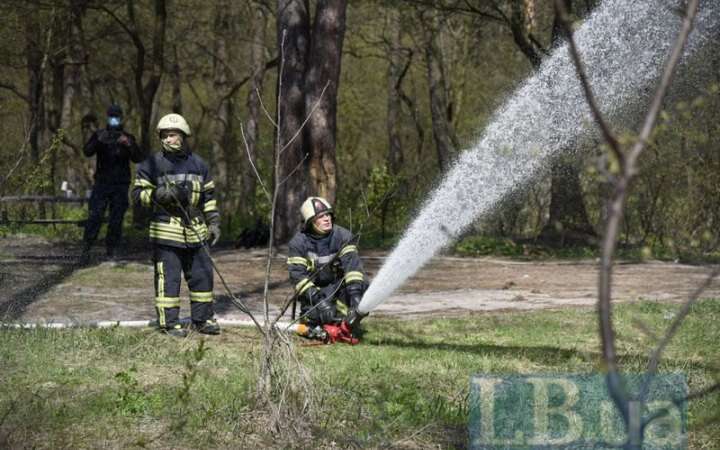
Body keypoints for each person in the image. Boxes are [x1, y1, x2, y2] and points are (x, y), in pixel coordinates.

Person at [132, 113, 222, 337]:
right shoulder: (150, 164)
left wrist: (213, 223)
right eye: (164, 136)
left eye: (172, 135)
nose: (167, 139)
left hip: (196, 231)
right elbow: (136, 196)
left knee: (203, 276)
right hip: (165, 231)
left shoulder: (199, 164)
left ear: (183, 136)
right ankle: (169, 323)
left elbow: (208, 197)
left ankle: (202, 320)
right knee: (169, 280)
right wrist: (160, 195)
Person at [287, 196, 368, 334]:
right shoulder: (298, 243)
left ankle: (347, 319)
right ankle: (321, 319)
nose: (327, 219)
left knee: (364, 286)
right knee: (316, 317)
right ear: (310, 222)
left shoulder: (343, 236)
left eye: (328, 214)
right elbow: (297, 277)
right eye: (321, 216)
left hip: (338, 287)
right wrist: (320, 302)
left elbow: (352, 266)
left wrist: (355, 294)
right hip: (314, 293)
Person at [82, 104, 145, 260]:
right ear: (107, 118)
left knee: (116, 218)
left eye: (116, 116)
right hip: (101, 184)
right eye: (112, 116)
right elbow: (87, 152)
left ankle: (112, 249)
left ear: (121, 118)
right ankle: (86, 248)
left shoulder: (128, 137)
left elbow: (138, 158)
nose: (114, 119)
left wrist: (129, 144)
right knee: (95, 216)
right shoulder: (99, 135)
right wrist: (97, 140)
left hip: (120, 185)